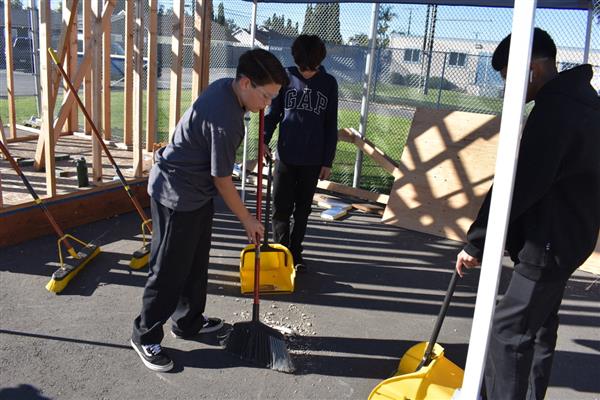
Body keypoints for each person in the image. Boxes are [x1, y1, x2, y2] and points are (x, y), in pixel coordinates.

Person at [455, 28, 600, 400]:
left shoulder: (556, 110)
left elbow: (521, 183)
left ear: (531, 69)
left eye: (507, 76)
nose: (506, 88)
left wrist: (477, 242)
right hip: (570, 235)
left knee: (509, 332)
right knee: (538, 329)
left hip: (549, 242)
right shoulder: (582, 99)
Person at [131, 49, 288, 372]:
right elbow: (222, 179)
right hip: (176, 194)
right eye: (266, 95)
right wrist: (247, 219)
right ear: (245, 83)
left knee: (195, 261)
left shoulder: (227, 90)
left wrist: (255, 143)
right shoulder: (225, 119)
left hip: (196, 193)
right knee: (169, 268)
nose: (268, 104)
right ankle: (144, 334)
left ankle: (188, 322)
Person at [264, 34, 339, 272]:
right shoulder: (284, 77)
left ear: (318, 61)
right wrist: (263, 139)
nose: (305, 71)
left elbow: (330, 125)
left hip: (313, 159)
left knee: (303, 209)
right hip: (286, 156)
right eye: (302, 66)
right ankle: (281, 251)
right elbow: (273, 113)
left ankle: (295, 252)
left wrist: (327, 161)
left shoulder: (328, 83)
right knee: (280, 207)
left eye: (309, 66)